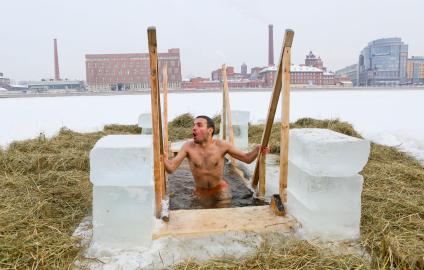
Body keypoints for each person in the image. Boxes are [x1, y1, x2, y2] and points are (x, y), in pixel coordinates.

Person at [163, 115, 268, 208]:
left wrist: (257, 149)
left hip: (220, 189)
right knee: (204, 218)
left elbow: (247, 158)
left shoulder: (222, 145)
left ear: (210, 130)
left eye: (199, 125)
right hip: (201, 192)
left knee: (222, 217)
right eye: (194, 125)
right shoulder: (188, 147)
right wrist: (162, 157)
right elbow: (171, 168)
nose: (194, 128)